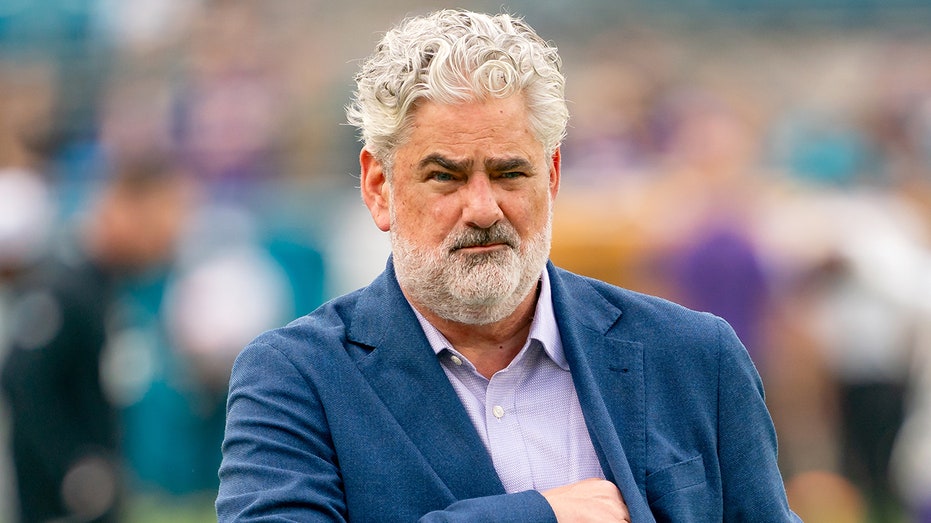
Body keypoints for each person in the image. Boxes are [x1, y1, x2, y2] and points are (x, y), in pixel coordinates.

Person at [216, 9, 799, 522]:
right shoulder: (296, 379)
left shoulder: (696, 358)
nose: (483, 208)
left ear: (552, 176)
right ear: (378, 187)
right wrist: (540, 515)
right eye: (445, 176)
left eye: (509, 173)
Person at [1, 156, 193, 522]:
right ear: (124, 208)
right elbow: (21, 378)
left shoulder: (109, 289)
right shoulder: (65, 288)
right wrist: (72, 466)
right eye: (162, 219)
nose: (169, 237)